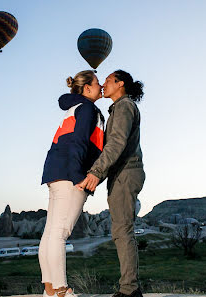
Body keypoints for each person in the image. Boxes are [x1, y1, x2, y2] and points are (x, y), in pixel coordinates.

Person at [77, 70, 145, 297]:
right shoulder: (120, 107)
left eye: (107, 80)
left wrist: (96, 172)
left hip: (126, 173)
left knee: (122, 230)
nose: (103, 84)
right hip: (122, 173)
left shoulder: (124, 106)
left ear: (120, 84)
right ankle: (130, 288)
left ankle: (129, 290)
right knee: (121, 230)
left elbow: (116, 143)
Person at [39, 70, 104, 297]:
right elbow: (79, 143)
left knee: (50, 233)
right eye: (97, 83)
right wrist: (78, 176)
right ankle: (61, 290)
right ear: (87, 88)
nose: (101, 86)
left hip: (55, 173)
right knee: (60, 233)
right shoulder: (87, 109)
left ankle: (49, 289)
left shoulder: (73, 107)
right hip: (70, 175)